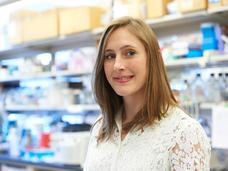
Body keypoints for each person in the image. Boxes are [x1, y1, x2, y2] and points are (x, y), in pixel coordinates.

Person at [83, 16, 211, 171]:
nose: (117, 65)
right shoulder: (101, 126)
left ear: (153, 58)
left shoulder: (184, 132)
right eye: (110, 56)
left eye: (129, 53)